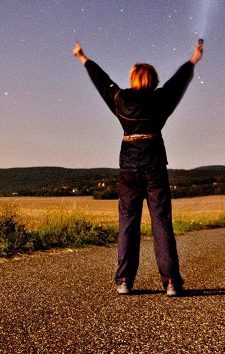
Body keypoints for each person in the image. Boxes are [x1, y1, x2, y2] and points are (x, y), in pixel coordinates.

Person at [73, 38, 202, 297]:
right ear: (153, 81)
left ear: (133, 80)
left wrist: (83, 58)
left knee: (128, 223)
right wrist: (192, 60)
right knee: (162, 223)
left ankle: (123, 281)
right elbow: (178, 82)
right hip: (155, 166)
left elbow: (102, 81)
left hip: (129, 168)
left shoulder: (120, 99)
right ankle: (171, 283)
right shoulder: (162, 99)